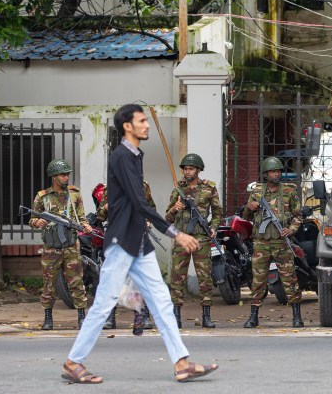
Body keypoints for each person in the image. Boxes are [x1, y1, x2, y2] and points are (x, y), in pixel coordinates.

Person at [61, 103, 217, 385]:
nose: (146, 125)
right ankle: (74, 362)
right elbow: (138, 202)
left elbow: (138, 204)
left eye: (146, 120)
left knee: (162, 302)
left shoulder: (135, 154)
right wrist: (176, 234)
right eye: (141, 121)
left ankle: (181, 363)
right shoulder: (122, 156)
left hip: (138, 242)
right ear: (127, 127)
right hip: (122, 241)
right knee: (103, 304)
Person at [29, 158, 92, 331]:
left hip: (71, 245)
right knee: (49, 283)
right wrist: (38, 222)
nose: (66, 177)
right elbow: (32, 219)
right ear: (54, 176)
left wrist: (85, 226)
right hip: (51, 247)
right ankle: (48, 318)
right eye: (63, 175)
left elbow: (81, 217)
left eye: (67, 174)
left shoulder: (74, 195)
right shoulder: (42, 197)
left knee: (77, 282)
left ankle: (81, 317)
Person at [242, 156, 305, 329]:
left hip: (281, 243)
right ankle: (253, 316)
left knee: (289, 280)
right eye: (272, 171)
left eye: (277, 171)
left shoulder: (289, 191)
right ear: (265, 174)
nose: (275, 174)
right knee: (258, 281)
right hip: (261, 243)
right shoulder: (256, 192)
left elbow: (298, 215)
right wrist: (250, 207)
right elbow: (245, 217)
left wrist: (291, 229)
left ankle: (297, 316)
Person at [165, 153, 222, 329]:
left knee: (204, 278)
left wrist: (213, 227)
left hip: (201, 239)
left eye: (190, 169)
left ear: (198, 170)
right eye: (185, 169)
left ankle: (206, 315)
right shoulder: (178, 190)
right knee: (177, 277)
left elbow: (218, 212)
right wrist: (175, 208)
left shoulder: (209, 188)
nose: (187, 172)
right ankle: (176, 315)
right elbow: (167, 218)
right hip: (182, 238)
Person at [93, 181, 157, 331]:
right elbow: (100, 216)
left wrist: (147, 220)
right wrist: (106, 208)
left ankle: (142, 316)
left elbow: (150, 208)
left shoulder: (143, 186)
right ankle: (110, 317)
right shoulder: (111, 187)